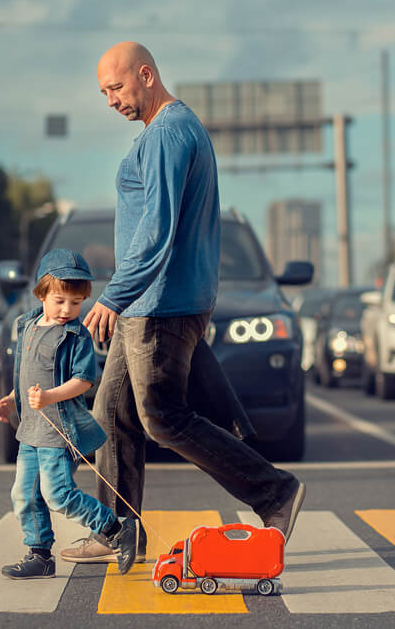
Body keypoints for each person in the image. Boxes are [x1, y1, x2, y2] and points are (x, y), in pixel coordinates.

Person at [59, 41, 305, 566]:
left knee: (161, 418)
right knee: (111, 414)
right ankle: (117, 529)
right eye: (103, 93)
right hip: (149, 303)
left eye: (117, 88)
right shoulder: (162, 132)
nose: (110, 101)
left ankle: (274, 492)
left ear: (146, 75)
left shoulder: (169, 132)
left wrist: (116, 295)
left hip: (160, 304)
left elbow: (157, 229)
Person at [0, 248, 138, 579]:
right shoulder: (27, 326)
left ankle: (115, 528)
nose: (67, 309)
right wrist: (13, 398)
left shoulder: (77, 336)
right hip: (30, 431)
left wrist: (49, 397)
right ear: (42, 293)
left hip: (59, 431)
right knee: (24, 495)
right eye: (59, 300)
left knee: (57, 493)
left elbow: (84, 381)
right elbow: (28, 374)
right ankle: (40, 554)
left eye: (76, 302)